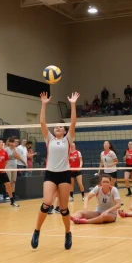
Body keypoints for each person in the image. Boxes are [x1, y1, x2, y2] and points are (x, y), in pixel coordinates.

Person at [31, 91, 79, 250]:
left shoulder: (68, 139)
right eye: (56, 126)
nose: (57, 128)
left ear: (64, 131)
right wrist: (43, 104)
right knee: (46, 203)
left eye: (60, 127)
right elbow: (42, 123)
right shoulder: (49, 139)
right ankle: (37, 231)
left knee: (64, 209)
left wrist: (72, 104)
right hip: (50, 174)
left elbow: (73, 123)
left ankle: (68, 233)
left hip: (64, 175)